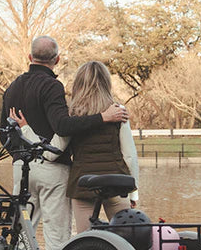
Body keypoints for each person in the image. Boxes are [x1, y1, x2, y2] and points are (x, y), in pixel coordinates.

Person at [1, 36, 128, 250]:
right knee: (56, 236)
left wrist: (21, 154)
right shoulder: (52, 86)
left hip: (21, 168)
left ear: (29, 57)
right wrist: (102, 117)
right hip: (53, 169)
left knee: (21, 233)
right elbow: (62, 125)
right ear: (57, 60)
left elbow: (3, 132)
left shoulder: (12, 88)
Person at [11, 60, 139, 232]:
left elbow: (52, 153)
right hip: (117, 183)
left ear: (78, 84)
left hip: (84, 184)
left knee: (85, 241)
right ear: (106, 83)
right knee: (127, 237)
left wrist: (26, 129)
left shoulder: (72, 114)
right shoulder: (118, 111)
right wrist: (133, 192)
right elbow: (129, 155)